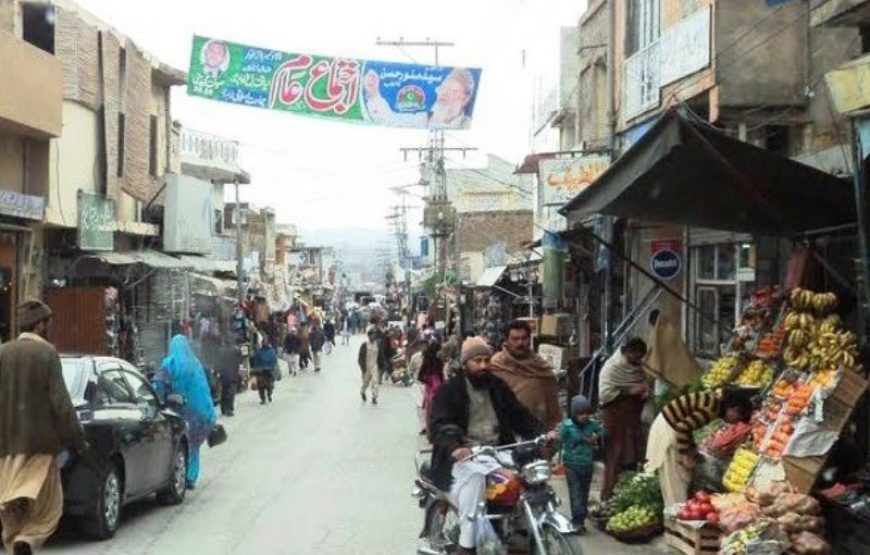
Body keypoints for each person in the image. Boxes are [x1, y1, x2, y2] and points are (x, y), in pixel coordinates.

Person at [428, 337, 547, 555]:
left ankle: (521, 531)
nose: (483, 366)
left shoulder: (497, 386)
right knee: (476, 482)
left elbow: (520, 415)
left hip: (498, 452)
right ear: (465, 364)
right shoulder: (449, 391)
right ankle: (466, 546)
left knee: (531, 476)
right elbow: (438, 425)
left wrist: (543, 434)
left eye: (486, 360)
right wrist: (455, 446)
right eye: (477, 361)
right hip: (462, 458)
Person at [0, 300, 86, 555]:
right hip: (40, 447)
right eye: (48, 322)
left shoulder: (2, 353)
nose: (50, 327)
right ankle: (27, 540)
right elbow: (62, 405)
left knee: (10, 503)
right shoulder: (47, 354)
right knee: (48, 508)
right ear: (39, 325)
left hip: (5, 447)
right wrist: (78, 441)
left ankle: (17, 539)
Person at [646, 387, 754, 507]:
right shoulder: (712, 408)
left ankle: (677, 515)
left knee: (679, 478)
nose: (733, 423)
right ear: (734, 409)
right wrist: (685, 455)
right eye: (737, 418)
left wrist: (692, 449)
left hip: (669, 426)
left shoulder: (713, 403)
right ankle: (676, 517)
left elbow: (687, 426)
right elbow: (682, 427)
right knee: (675, 481)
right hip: (668, 431)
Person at [156, 335, 217, 490]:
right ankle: (190, 477)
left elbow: (159, 384)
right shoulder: (195, 363)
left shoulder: (169, 364)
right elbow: (204, 388)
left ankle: (179, 475)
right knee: (194, 444)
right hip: (201, 412)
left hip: (180, 410)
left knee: (181, 443)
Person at [597, 337, 650, 501]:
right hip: (615, 418)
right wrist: (629, 391)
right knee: (615, 455)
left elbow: (642, 382)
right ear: (628, 352)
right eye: (636, 356)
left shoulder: (637, 368)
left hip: (633, 419)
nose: (638, 360)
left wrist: (642, 392)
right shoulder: (613, 368)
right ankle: (608, 495)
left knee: (635, 453)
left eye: (641, 357)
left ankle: (630, 494)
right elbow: (605, 394)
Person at [490, 319, 562, 431]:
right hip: (506, 434)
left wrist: (555, 430)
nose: (520, 343)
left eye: (524, 338)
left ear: (529, 339)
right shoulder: (496, 366)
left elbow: (553, 407)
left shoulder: (540, 366)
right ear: (507, 341)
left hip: (537, 433)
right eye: (515, 339)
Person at [558, 395, 603, 534]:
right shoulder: (567, 426)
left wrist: (596, 438)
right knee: (575, 493)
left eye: (587, 413)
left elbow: (602, 432)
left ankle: (581, 520)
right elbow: (560, 440)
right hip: (571, 465)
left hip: (587, 464)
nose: (584, 416)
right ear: (574, 413)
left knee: (584, 493)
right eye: (581, 413)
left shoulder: (592, 424)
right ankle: (577, 522)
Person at [417, 341, 445, 436]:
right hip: (437, 387)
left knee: (429, 411)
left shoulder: (426, 359)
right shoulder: (439, 360)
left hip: (429, 388)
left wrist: (427, 381)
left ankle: (430, 433)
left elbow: (420, 376)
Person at [358, 327, 388, 404]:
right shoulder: (364, 345)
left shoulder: (378, 344)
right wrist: (362, 367)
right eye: (371, 335)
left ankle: (374, 397)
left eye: (374, 335)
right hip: (366, 366)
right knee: (366, 382)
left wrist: (383, 364)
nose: (373, 337)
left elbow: (381, 355)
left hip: (375, 366)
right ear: (369, 336)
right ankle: (362, 392)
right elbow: (360, 358)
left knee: (375, 382)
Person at [215, 341, 242, 417]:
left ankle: (223, 408)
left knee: (224, 390)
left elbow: (217, 363)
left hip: (223, 374)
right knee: (231, 391)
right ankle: (229, 409)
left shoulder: (220, 351)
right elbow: (240, 361)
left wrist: (217, 372)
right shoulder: (236, 350)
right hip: (233, 373)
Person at [250, 339, 278, 404]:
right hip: (269, 371)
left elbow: (254, 361)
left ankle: (263, 399)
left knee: (261, 386)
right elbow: (274, 361)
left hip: (260, 372)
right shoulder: (272, 351)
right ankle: (269, 395)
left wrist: (254, 369)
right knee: (270, 385)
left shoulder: (258, 352)